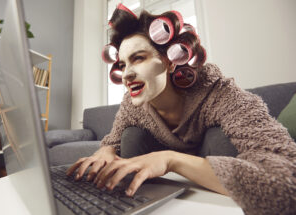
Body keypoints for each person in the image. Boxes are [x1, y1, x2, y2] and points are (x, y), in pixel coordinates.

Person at [67, 4, 296, 214]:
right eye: (123, 64)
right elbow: (113, 139)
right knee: (131, 137)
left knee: (221, 139)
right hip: (165, 188)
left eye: (138, 58)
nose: (127, 74)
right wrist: (106, 150)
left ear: (169, 61)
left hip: (211, 173)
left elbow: (287, 177)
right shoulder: (132, 103)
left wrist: (170, 159)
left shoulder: (221, 93)